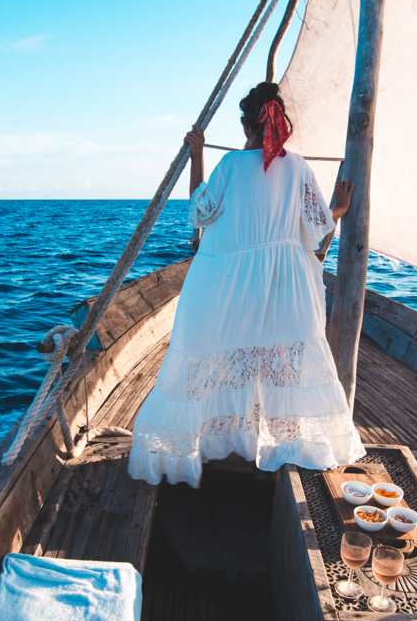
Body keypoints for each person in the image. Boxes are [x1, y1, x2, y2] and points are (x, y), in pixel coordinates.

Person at [128, 82, 366, 487]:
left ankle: (220, 437)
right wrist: (340, 210)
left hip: (227, 285)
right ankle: (280, 439)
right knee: (279, 361)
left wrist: (198, 154)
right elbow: (317, 228)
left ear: (246, 125)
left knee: (217, 356)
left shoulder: (230, 167)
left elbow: (200, 214)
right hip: (283, 284)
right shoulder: (299, 167)